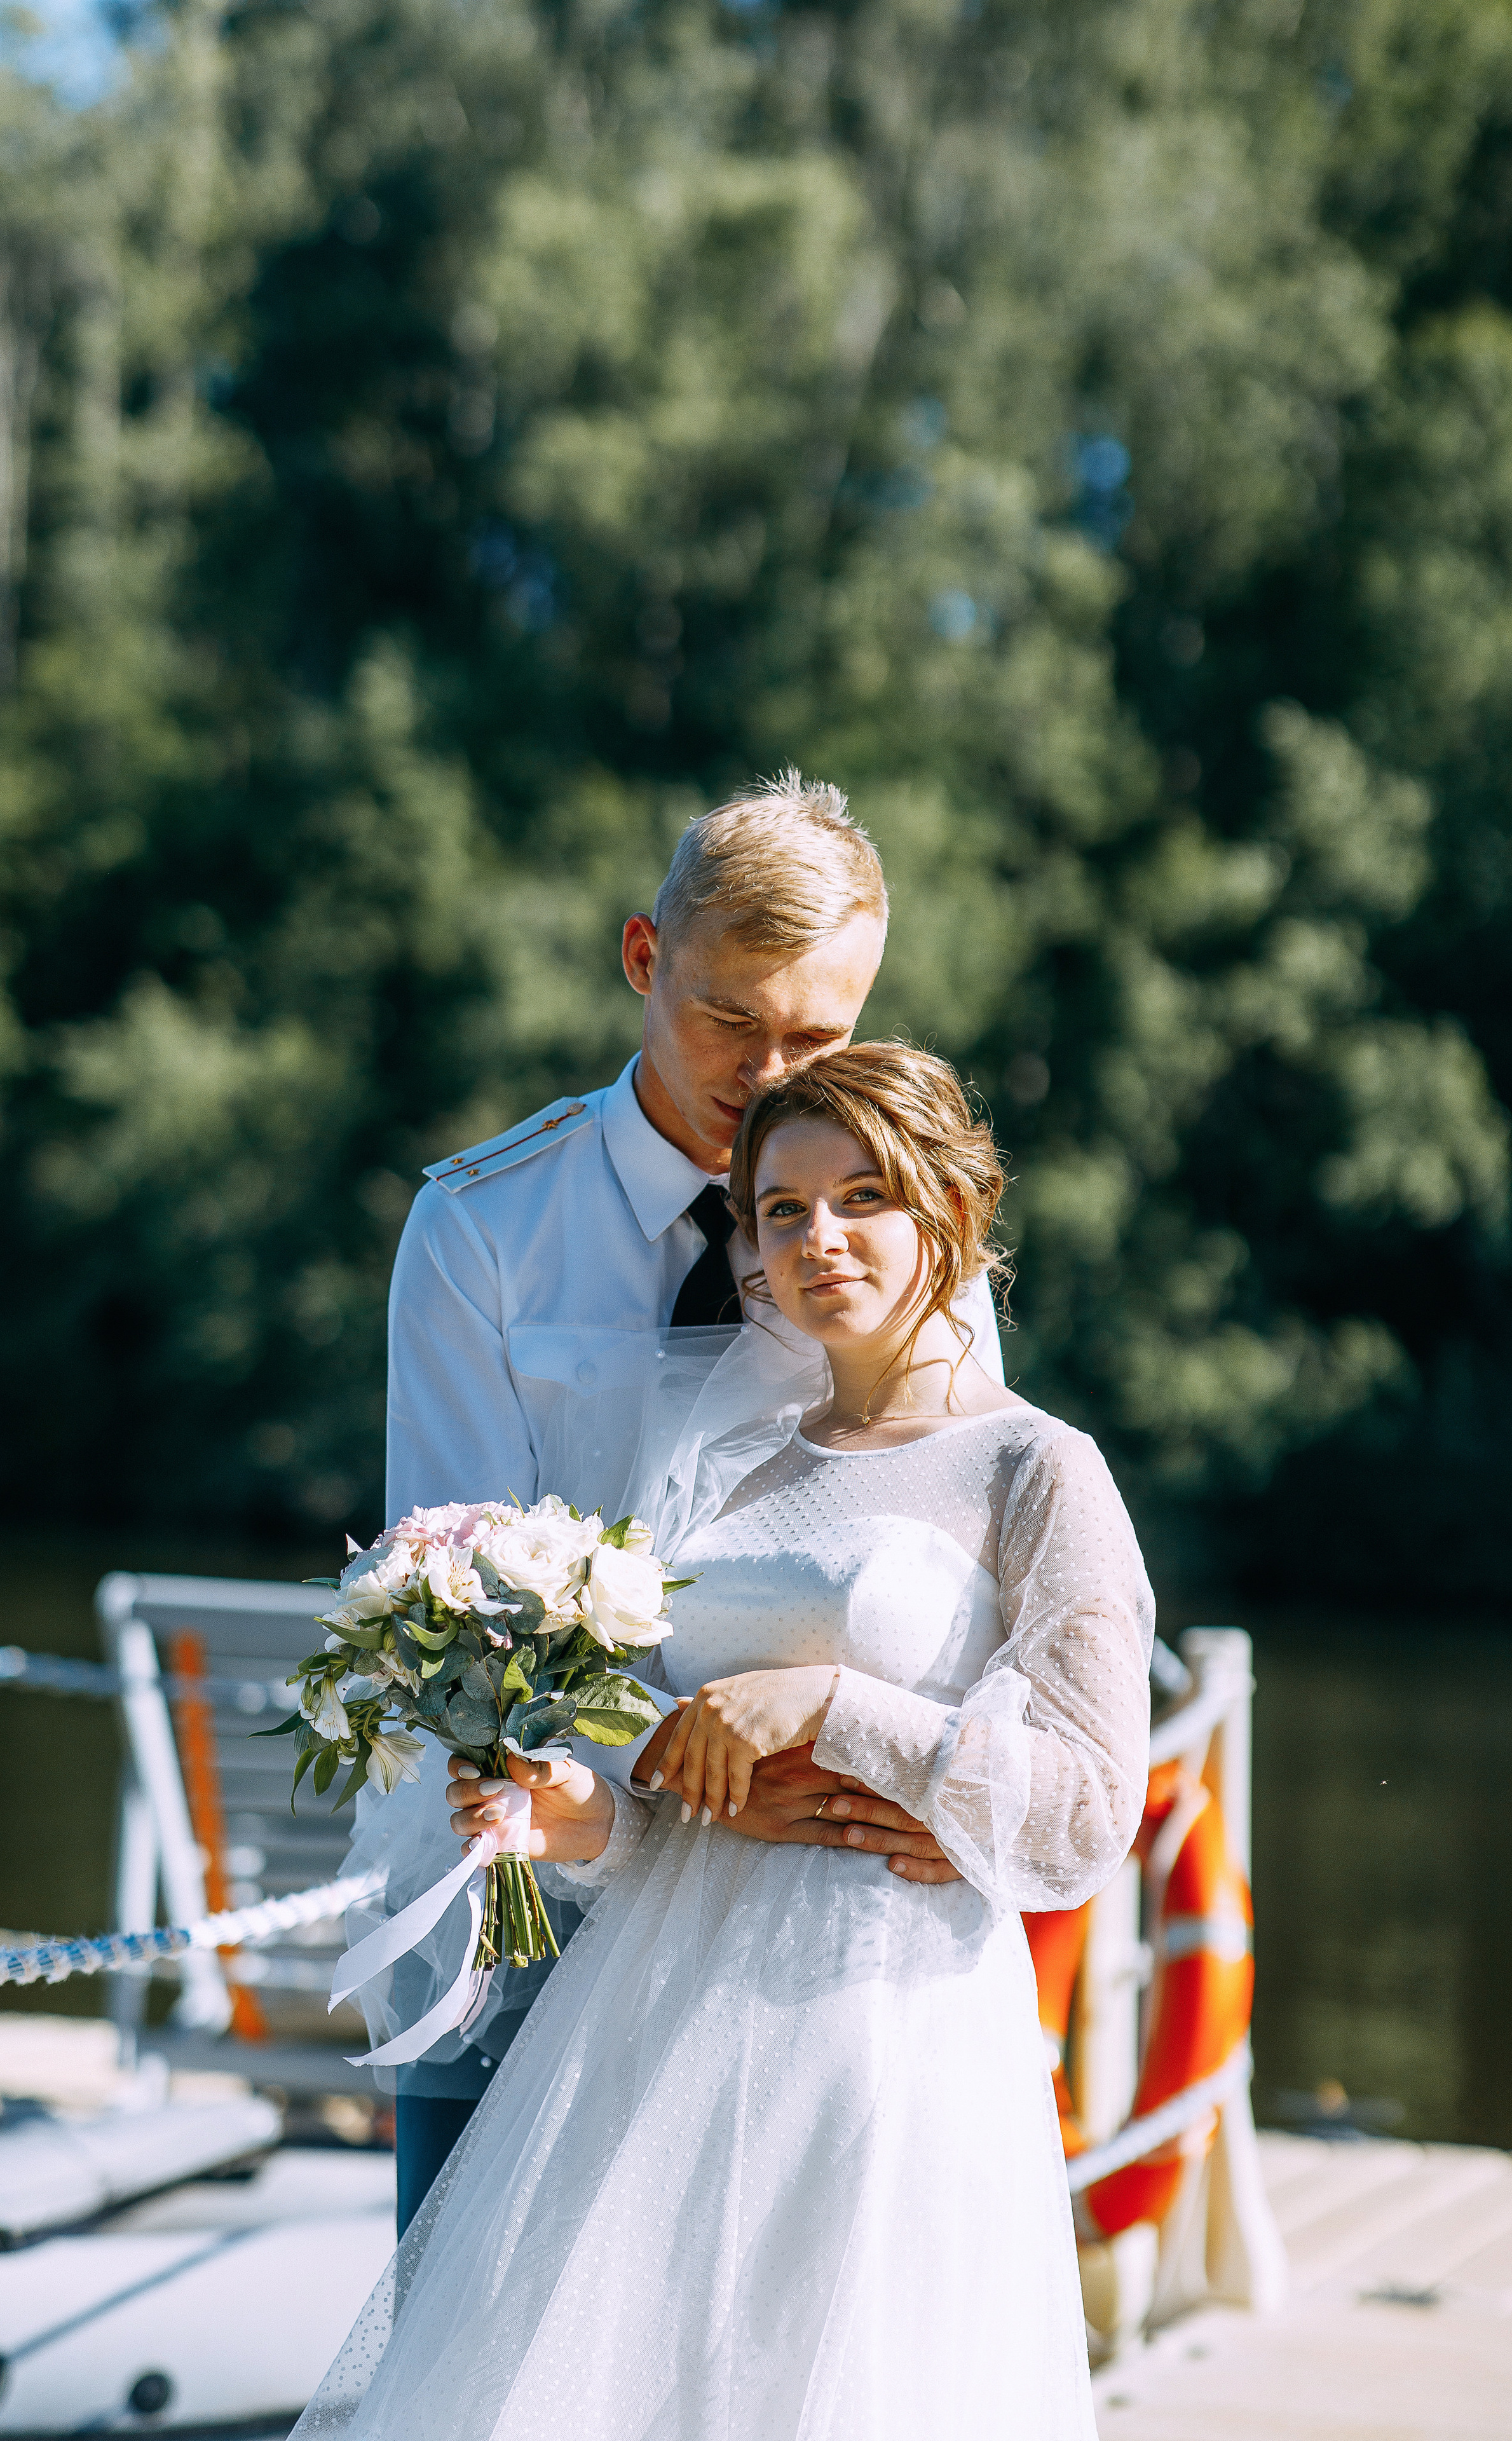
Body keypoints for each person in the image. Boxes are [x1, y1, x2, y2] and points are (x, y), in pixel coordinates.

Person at [301, 1043, 1152, 2441]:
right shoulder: (733, 1466)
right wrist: (580, 1816)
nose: (818, 1239)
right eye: (780, 1209)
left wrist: (835, 1709)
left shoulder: (1036, 1469)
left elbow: (1083, 1807)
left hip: (878, 2025)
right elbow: (681, 1804)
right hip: (648, 2023)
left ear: (954, 1201)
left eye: (862, 1197)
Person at [361, 772, 1006, 2233]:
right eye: (731, 1019)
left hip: (807, 1927)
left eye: (819, 1035)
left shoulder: (905, 1234)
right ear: (645, 958)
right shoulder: (485, 1230)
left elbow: (959, 1542)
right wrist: (686, 1772)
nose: (771, 1076)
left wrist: (931, 1785)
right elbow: (448, 1595)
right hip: (522, 1894)